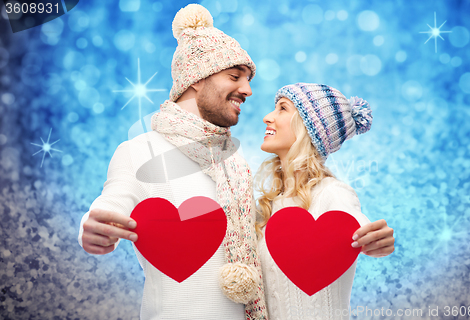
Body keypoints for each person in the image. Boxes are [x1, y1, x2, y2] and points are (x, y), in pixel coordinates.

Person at [77, 4, 268, 320]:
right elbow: (111, 204)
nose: (247, 90)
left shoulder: (235, 160)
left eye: (247, 80)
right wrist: (91, 226)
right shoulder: (140, 151)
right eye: (235, 76)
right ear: (196, 79)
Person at [255, 83, 395, 319]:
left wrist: (379, 240)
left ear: (308, 128)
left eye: (282, 108)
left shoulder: (332, 193)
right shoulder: (268, 207)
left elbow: (360, 229)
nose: (267, 117)